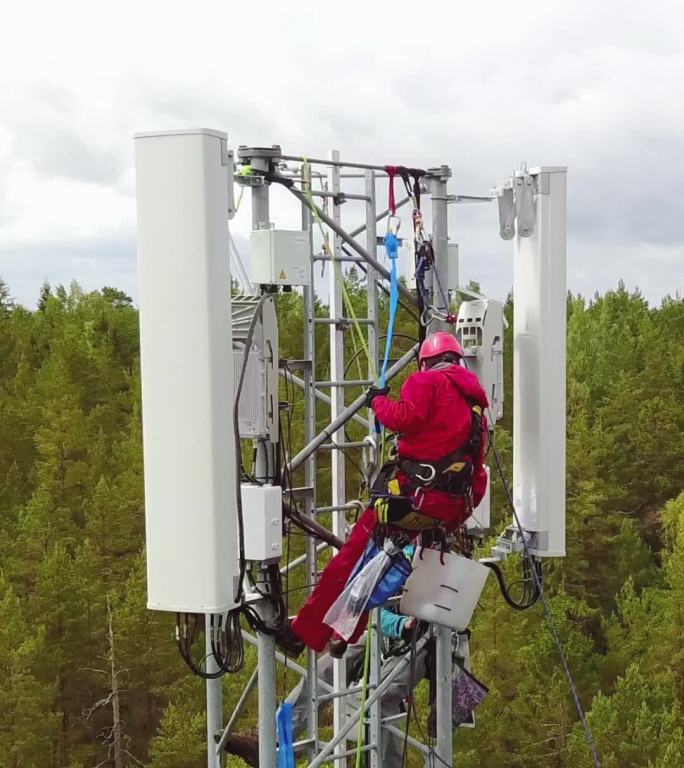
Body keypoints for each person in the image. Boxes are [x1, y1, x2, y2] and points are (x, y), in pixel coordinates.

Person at [277, 331, 489, 656]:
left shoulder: (426, 383)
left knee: (351, 561)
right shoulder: (475, 408)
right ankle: (344, 634)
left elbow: (404, 417)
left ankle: (303, 633)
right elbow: (477, 472)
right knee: (379, 569)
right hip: (444, 509)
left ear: (427, 362)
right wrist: (452, 518)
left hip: (409, 499)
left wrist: (377, 400)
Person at [225, 610, 430, 767]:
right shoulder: (394, 557)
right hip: (385, 630)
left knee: (381, 695)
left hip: (424, 641)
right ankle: (270, 738)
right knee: (322, 672)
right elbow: (368, 600)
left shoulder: (437, 559)